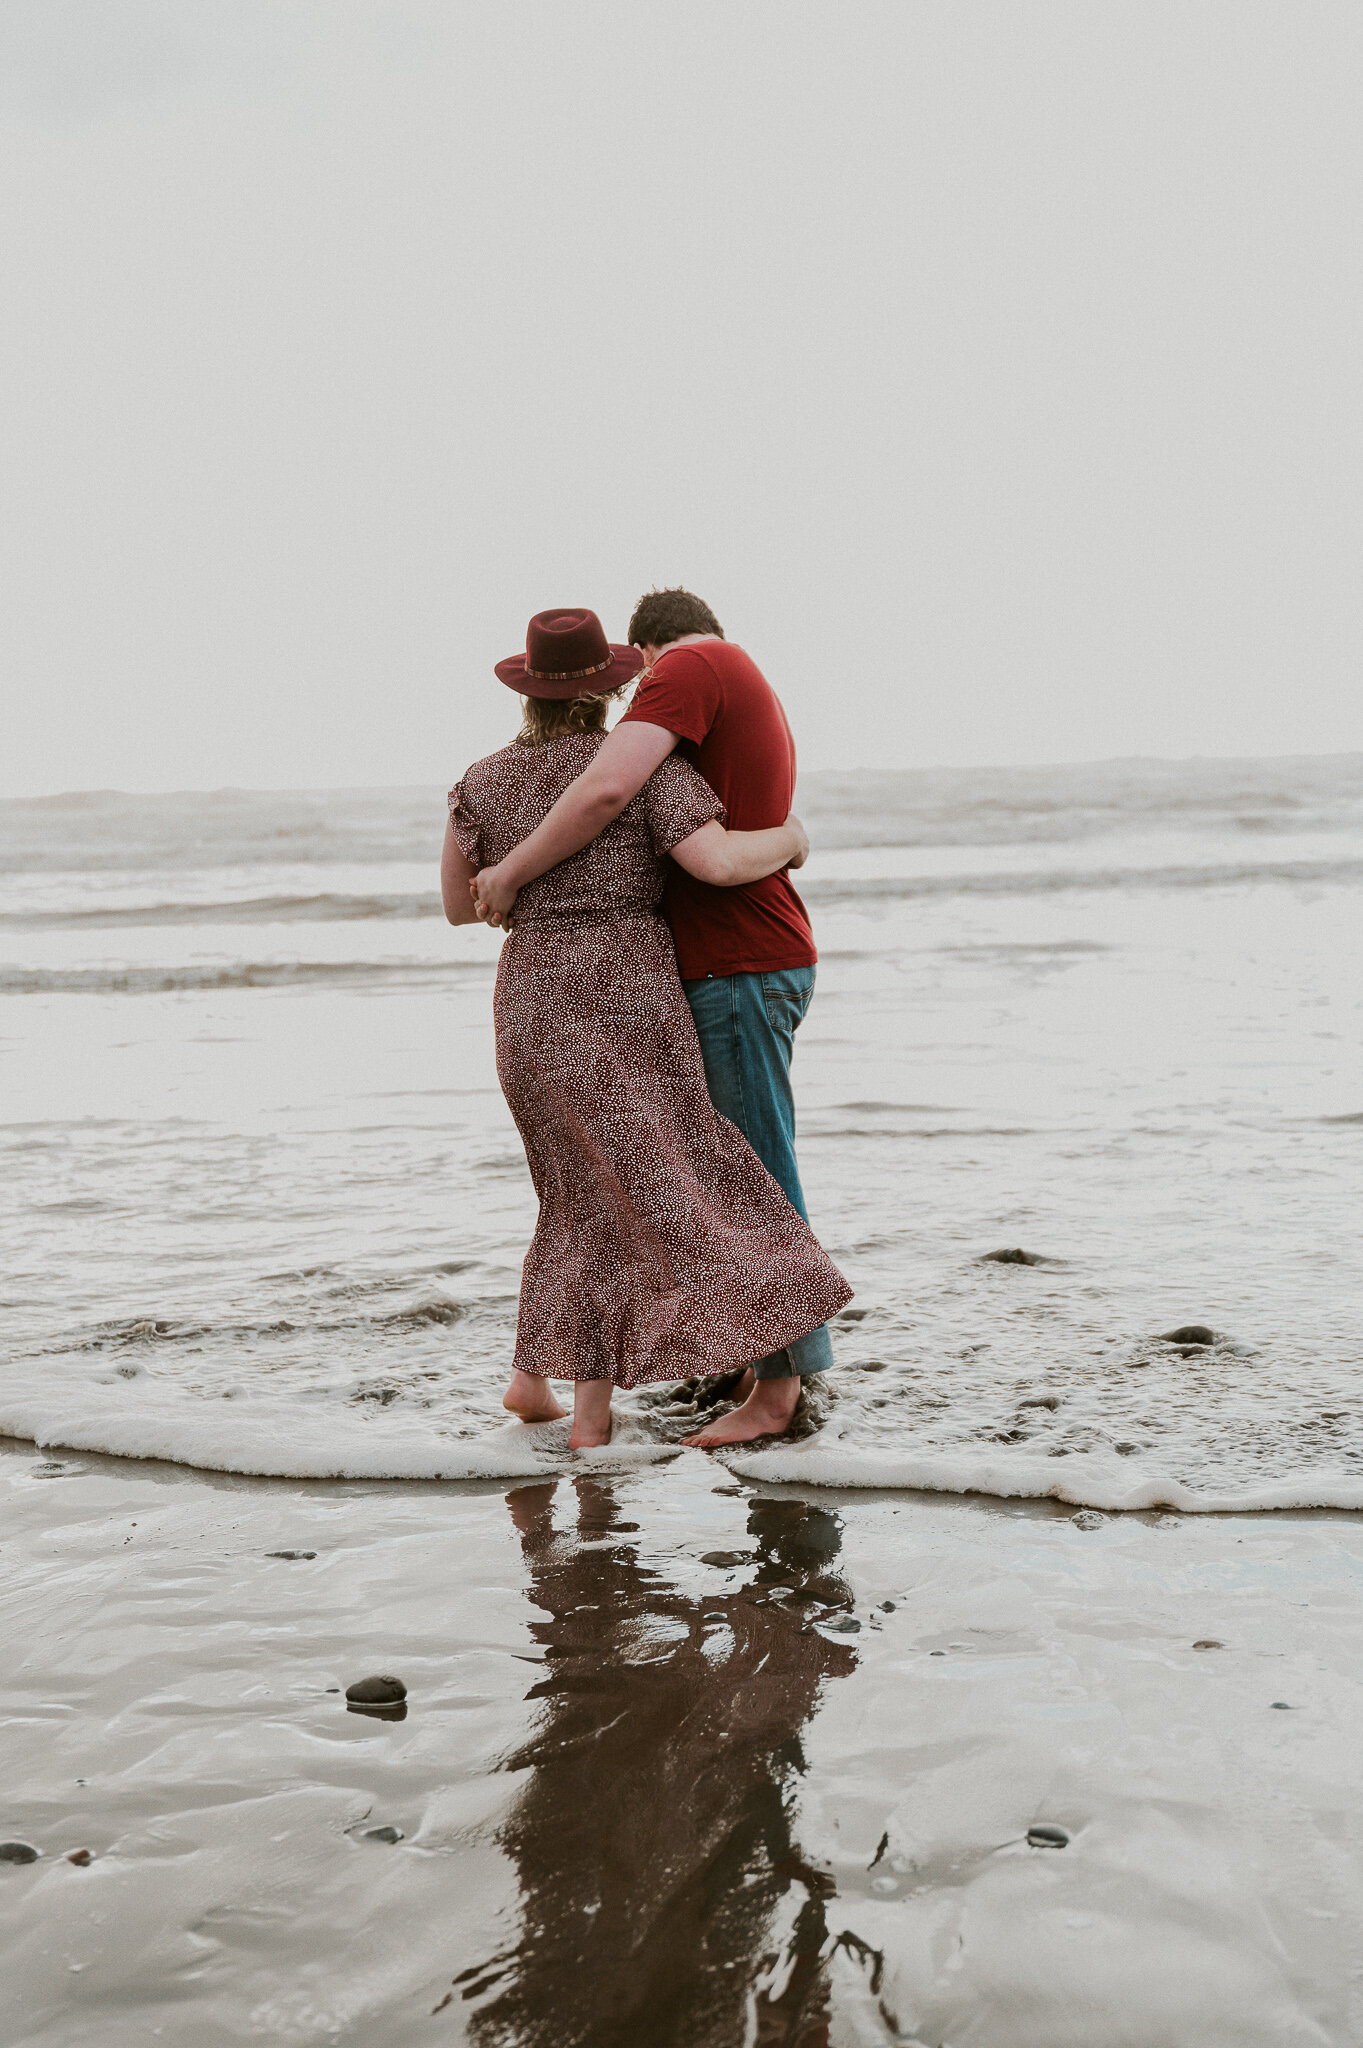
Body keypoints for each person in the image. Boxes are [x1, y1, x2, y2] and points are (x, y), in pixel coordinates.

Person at [442, 607, 851, 1450]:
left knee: (573, 1188)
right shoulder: (648, 770)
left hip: (529, 998)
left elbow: (460, 905)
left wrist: (517, 888)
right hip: (628, 991)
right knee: (662, 1183)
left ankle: (538, 1379)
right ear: (615, 684)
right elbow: (713, 861)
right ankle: (610, 1408)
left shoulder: (478, 780)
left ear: (526, 689)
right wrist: (794, 838)